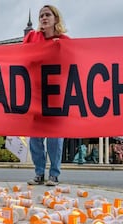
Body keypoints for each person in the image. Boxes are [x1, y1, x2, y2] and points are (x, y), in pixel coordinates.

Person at [25, 5, 69, 186]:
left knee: (54, 139)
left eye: (47, 14)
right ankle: (39, 173)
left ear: (55, 19)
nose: (44, 18)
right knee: (35, 139)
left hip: (56, 95)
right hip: (36, 94)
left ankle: (54, 174)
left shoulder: (65, 41)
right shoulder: (32, 37)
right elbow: (22, 57)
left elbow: (73, 63)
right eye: (41, 15)